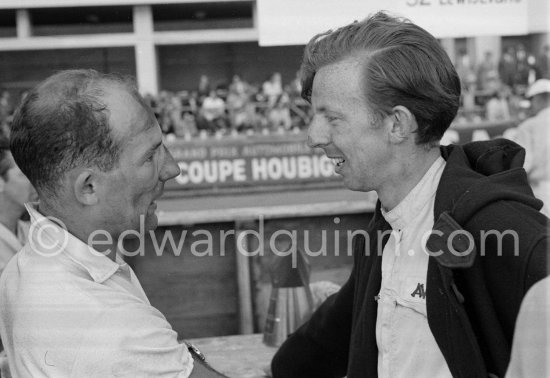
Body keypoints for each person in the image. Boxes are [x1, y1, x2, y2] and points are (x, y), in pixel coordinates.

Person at [271, 12, 548, 378]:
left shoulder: (504, 231)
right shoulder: (387, 225)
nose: (314, 136)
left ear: (398, 124)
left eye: (332, 118)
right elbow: (330, 333)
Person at [0, 69, 226, 377]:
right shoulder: (111, 326)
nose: (172, 169)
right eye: (149, 157)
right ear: (89, 187)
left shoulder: (23, 267)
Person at [511, 79, 550, 216]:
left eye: (532, 100)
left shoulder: (529, 126)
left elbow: (522, 165)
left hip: (540, 193)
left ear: (538, 99)